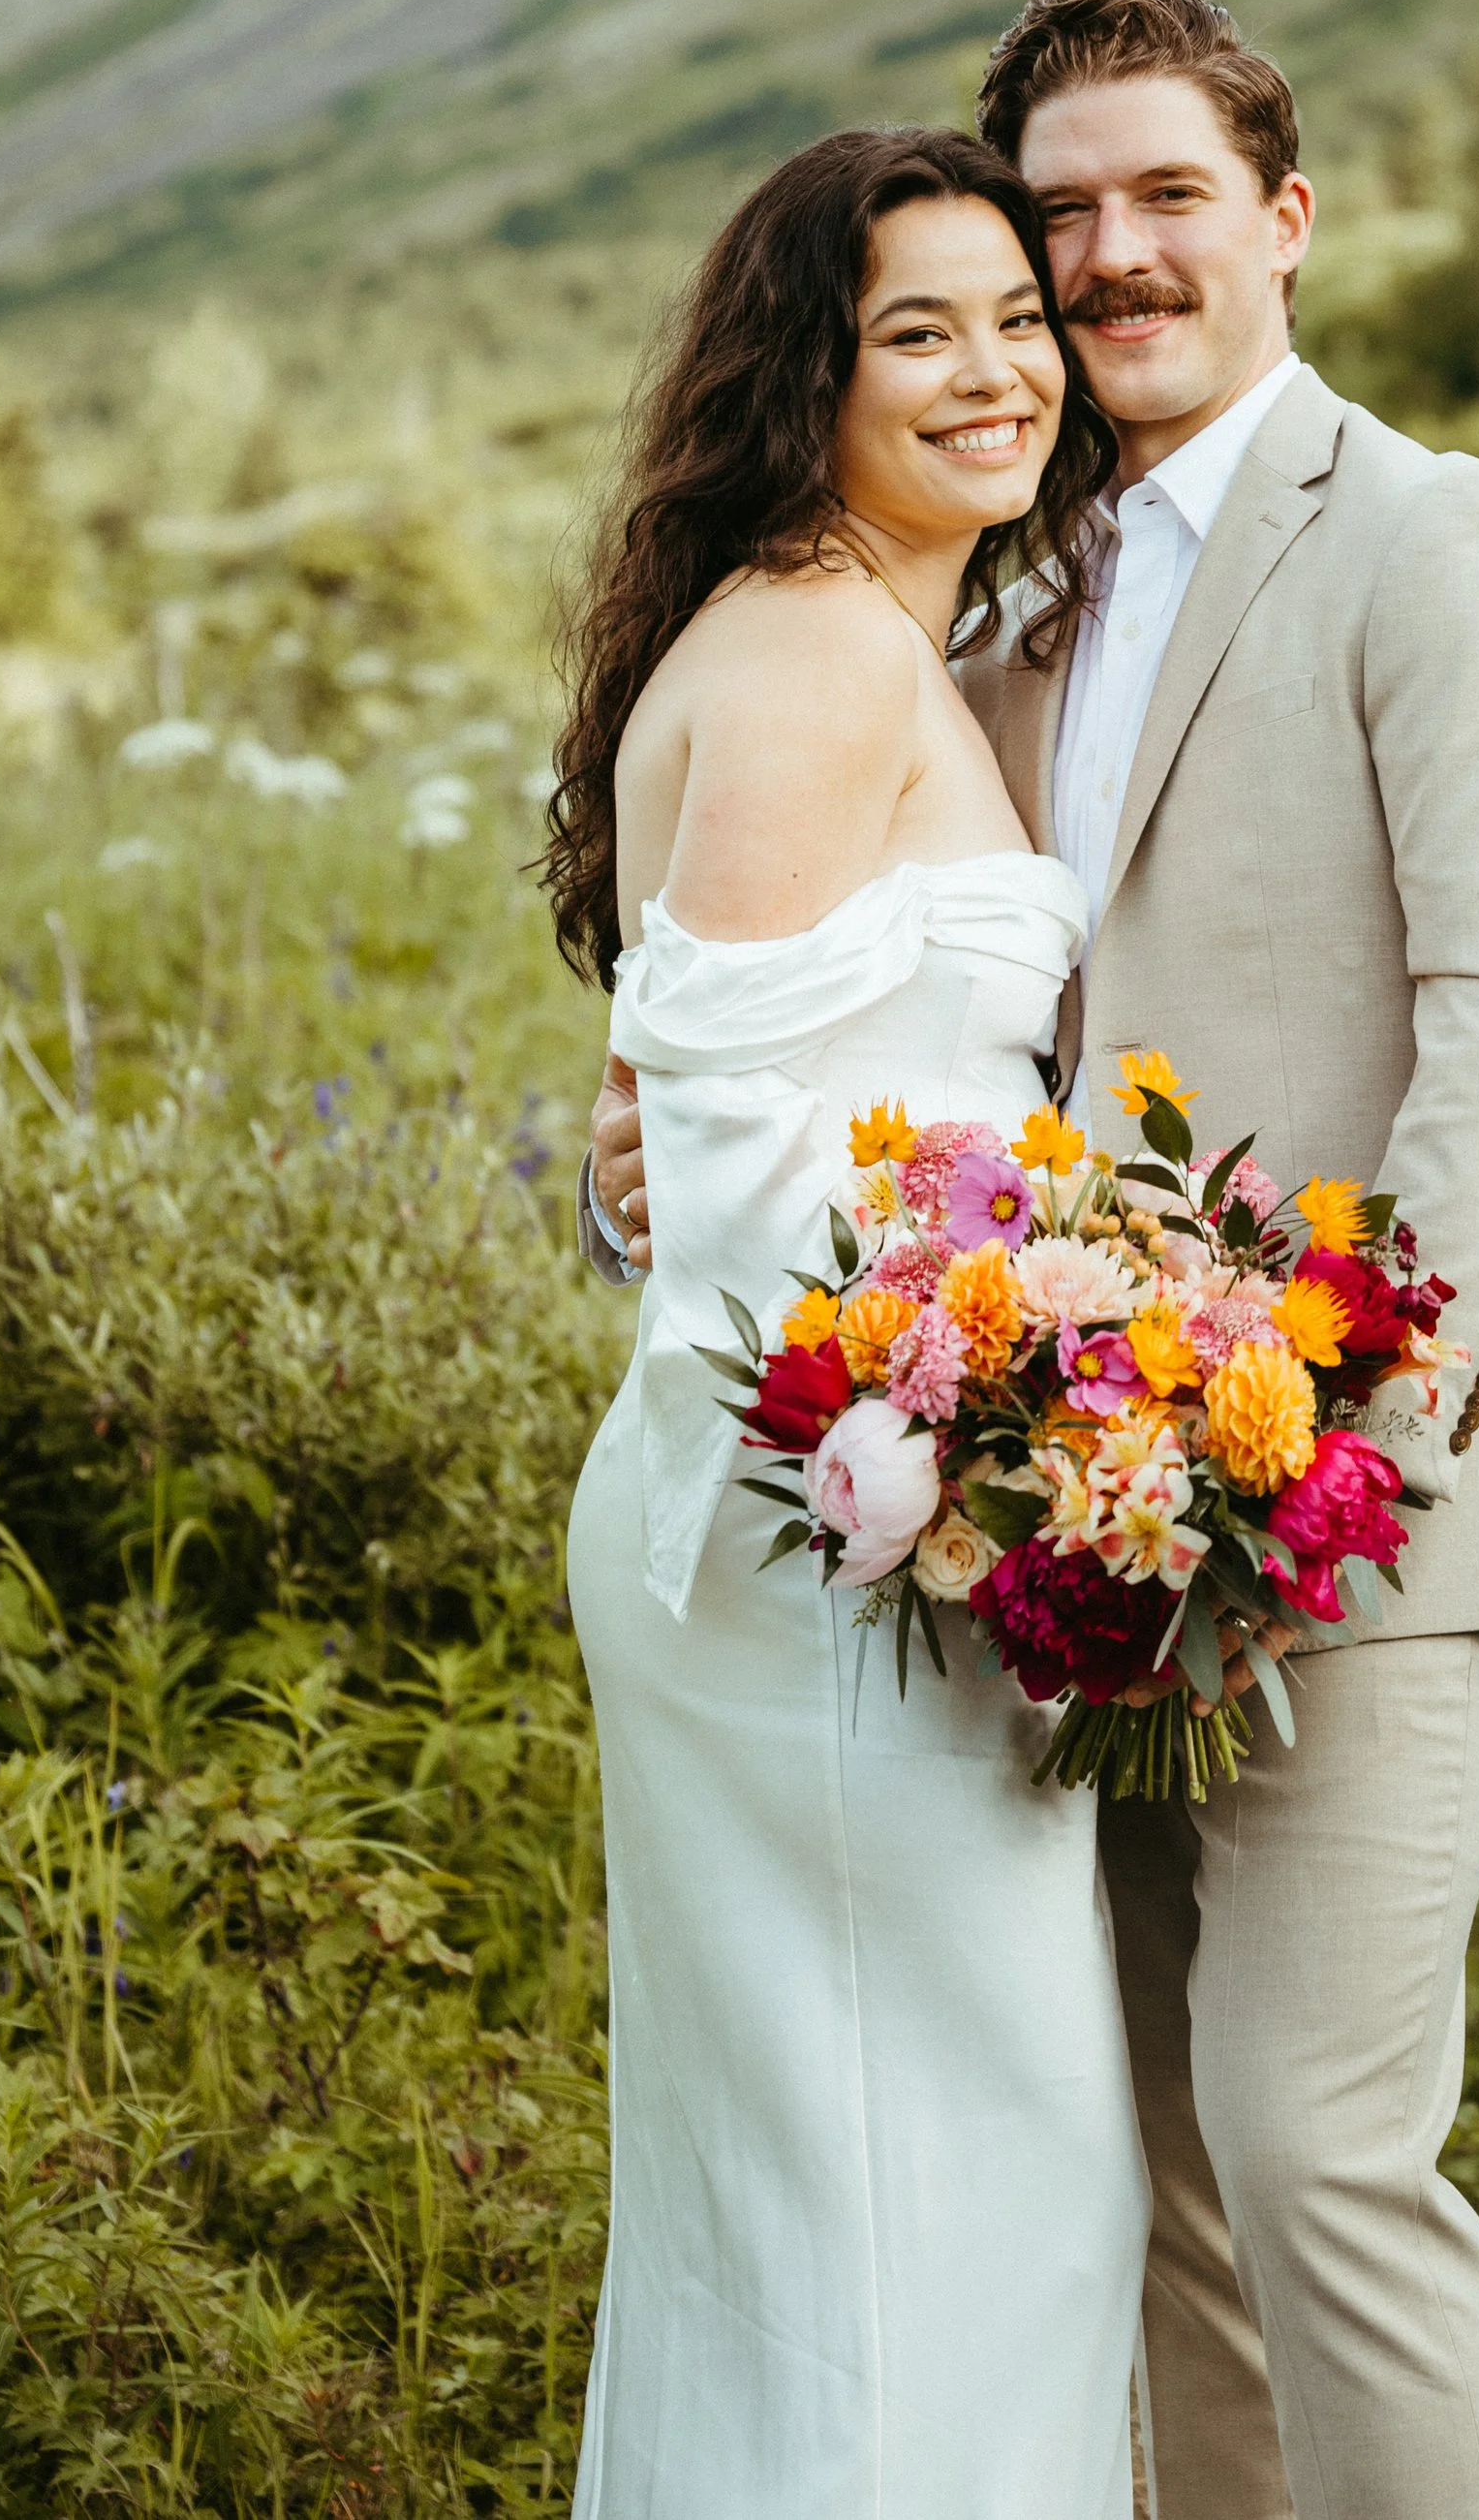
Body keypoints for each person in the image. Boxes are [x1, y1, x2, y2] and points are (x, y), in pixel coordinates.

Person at [588, 0, 1479, 2520]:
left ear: (1282, 215)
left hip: (1338, 1496)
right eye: (1061, 215)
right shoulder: (987, 620)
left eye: (1165, 193)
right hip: (1036, 1522)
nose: (1109, 256)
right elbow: (881, 1055)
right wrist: (675, 1161)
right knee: (1125, 2188)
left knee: (1314, 2154)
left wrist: (1331, 1447)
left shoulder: (1443, 533)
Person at [543, 124, 1148, 2520]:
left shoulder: (874, 629)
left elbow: (693, 1102)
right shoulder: (813, 645)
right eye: (923, 331)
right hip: (825, 1535)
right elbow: (729, 1177)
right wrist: (1067, 1364)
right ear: (807, 373)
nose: (998, 371)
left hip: (852, 1495)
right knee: (940, 2190)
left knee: (862, 2193)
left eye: (1018, 320)